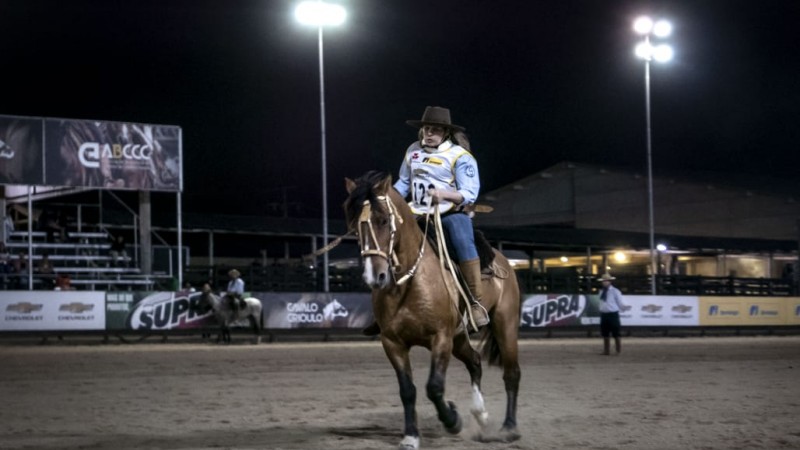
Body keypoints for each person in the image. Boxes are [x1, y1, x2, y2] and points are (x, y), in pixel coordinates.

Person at [363, 106, 489, 336]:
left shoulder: (461, 157)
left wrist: (445, 194)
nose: (429, 133)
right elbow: (403, 182)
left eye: (435, 130)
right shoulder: (413, 150)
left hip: (448, 213)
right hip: (416, 212)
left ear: (446, 133)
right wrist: (386, 197)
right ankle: (384, 308)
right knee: (388, 242)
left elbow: (470, 192)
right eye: (426, 129)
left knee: (463, 241)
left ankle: (475, 303)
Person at [597, 273, 626, 355]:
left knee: (616, 333)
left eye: (606, 281)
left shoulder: (615, 291)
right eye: (603, 281)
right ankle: (606, 350)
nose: (604, 282)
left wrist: (622, 308)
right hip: (604, 314)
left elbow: (619, 302)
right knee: (605, 333)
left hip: (613, 314)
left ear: (610, 282)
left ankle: (618, 350)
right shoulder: (601, 291)